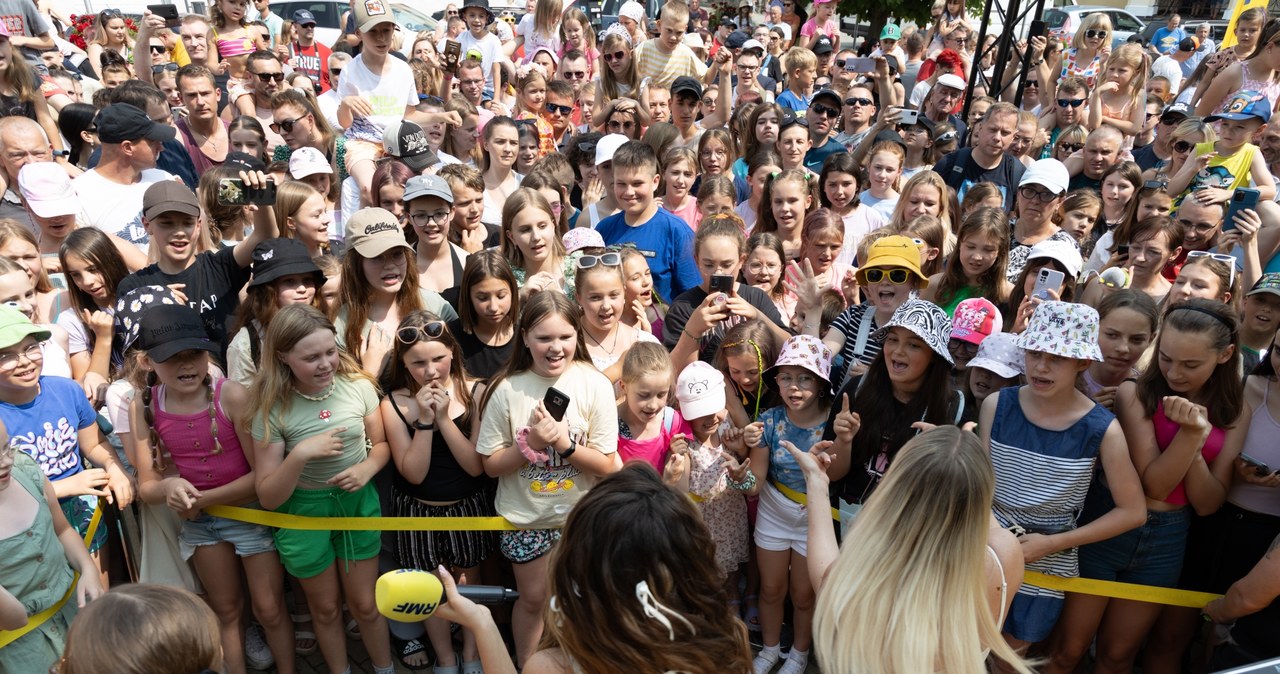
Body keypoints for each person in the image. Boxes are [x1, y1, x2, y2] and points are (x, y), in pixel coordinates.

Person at [789, 424, 1033, 674]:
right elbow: (977, 511)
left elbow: (825, 580)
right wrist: (960, 462)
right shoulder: (1006, 553)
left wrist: (816, 481)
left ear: (896, 488)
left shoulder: (873, 576)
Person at [130, 303, 293, 674]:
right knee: (225, 610)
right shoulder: (142, 406)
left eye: (195, 354)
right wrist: (169, 485)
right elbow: (148, 487)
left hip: (250, 515)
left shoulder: (232, 395)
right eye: (173, 357)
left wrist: (202, 499)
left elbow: (262, 476)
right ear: (147, 362)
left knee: (269, 608)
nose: (187, 365)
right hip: (201, 523)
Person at [981, 301, 1146, 653]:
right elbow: (979, 485)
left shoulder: (1103, 429)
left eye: (1056, 357)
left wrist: (1055, 543)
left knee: (1010, 658)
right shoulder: (996, 405)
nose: (1041, 366)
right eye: (1035, 353)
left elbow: (1133, 511)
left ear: (1082, 363)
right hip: (983, 548)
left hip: (1045, 562)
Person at [474, 290, 621, 667]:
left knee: (584, 598)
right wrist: (532, 443)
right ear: (524, 337)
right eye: (544, 338)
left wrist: (564, 444)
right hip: (527, 518)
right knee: (535, 599)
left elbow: (606, 464)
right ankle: (528, 664)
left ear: (579, 336)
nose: (556, 347)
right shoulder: (507, 388)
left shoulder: (595, 384)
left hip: (580, 519)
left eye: (565, 337)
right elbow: (489, 464)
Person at [249, 303, 394, 674]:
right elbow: (268, 496)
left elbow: (381, 446)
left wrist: (366, 468)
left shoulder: (359, 386)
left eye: (330, 351)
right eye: (311, 357)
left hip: (356, 503)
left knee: (365, 605)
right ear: (283, 357)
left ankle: (384, 668)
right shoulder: (271, 409)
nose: (326, 363)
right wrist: (298, 456)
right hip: (302, 510)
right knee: (325, 609)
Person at [381, 312, 494, 673]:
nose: (430, 371)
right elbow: (413, 473)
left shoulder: (475, 391)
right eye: (418, 363)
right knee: (428, 587)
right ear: (403, 363)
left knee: (468, 580)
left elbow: (475, 466)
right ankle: (445, 658)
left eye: (438, 359)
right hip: (417, 508)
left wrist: (445, 418)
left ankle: (473, 654)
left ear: (452, 353)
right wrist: (426, 421)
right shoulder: (394, 403)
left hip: (467, 505)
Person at [116, 174, 278, 364]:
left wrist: (262, 200)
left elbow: (265, 236)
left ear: (199, 225)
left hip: (229, 385)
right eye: (166, 223)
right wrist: (158, 301)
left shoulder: (219, 266)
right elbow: (136, 358)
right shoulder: (134, 288)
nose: (179, 232)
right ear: (147, 225)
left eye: (187, 222)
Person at [0, 411, 105, 674]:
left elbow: (61, 529)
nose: (5, 462)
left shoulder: (25, 468)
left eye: (5, 448)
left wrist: (88, 569)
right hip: (20, 650)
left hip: (75, 614)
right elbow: (14, 618)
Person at [596, 141, 701, 304]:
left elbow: (693, 297)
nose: (629, 192)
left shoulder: (677, 231)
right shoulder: (604, 229)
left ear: (655, 181)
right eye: (621, 184)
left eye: (637, 183)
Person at [72, 103, 177, 248]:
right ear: (127, 147)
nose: (161, 147)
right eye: (153, 142)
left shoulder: (164, 179)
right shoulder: (78, 194)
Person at [934, 102, 1025, 211]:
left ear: (1013, 137)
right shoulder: (950, 163)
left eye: (1005, 133)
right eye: (992, 129)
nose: (997, 137)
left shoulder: (1017, 173)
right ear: (980, 128)